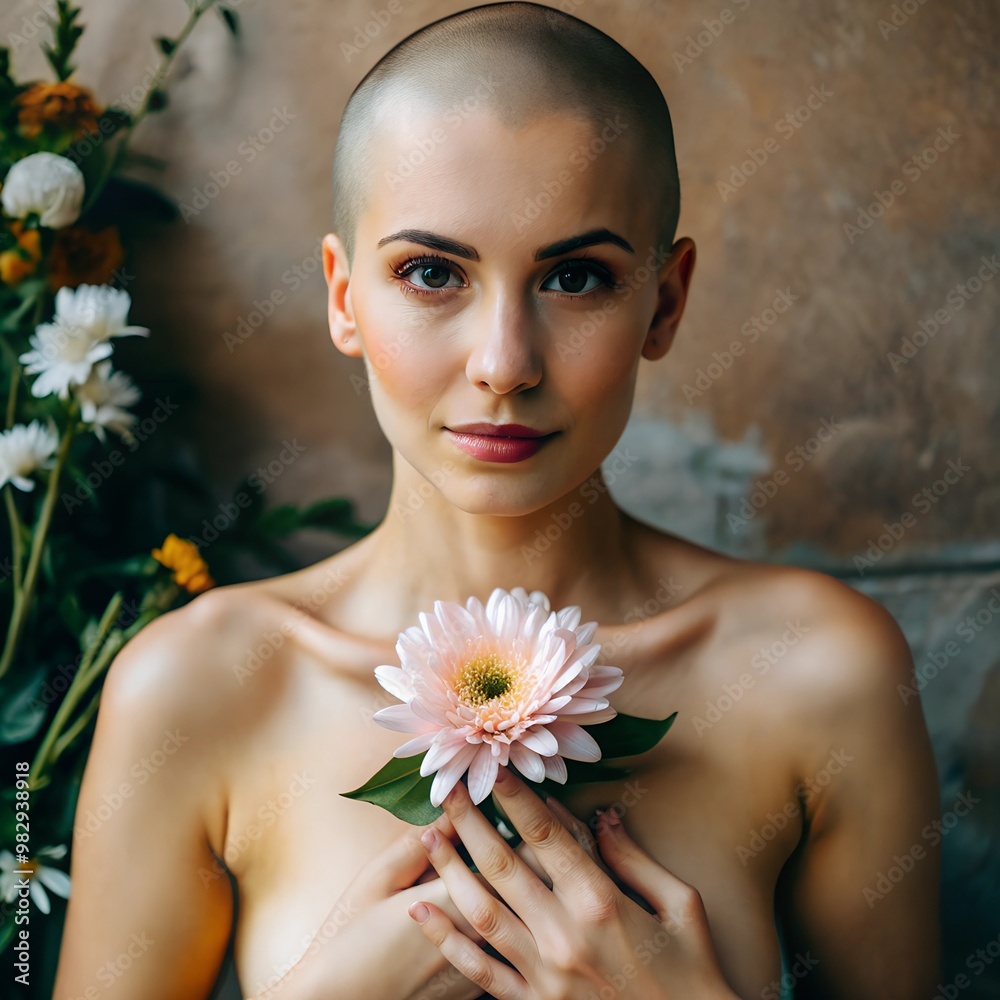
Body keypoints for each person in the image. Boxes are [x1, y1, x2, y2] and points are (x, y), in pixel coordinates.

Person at [52, 3, 941, 998]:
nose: (504, 362)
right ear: (344, 297)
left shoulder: (821, 672)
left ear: (665, 301)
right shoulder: (194, 689)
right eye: (432, 273)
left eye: (576, 277)